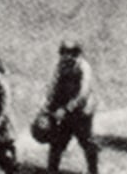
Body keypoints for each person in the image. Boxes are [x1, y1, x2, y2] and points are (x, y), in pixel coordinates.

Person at [39, 41, 99, 174]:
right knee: (57, 143)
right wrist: (46, 105)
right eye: (64, 53)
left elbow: (83, 93)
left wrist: (66, 109)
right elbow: (52, 86)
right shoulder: (60, 66)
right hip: (64, 110)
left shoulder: (84, 67)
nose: (67, 57)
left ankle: (93, 171)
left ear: (76, 54)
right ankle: (52, 171)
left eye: (70, 53)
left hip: (82, 111)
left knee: (87, 142)